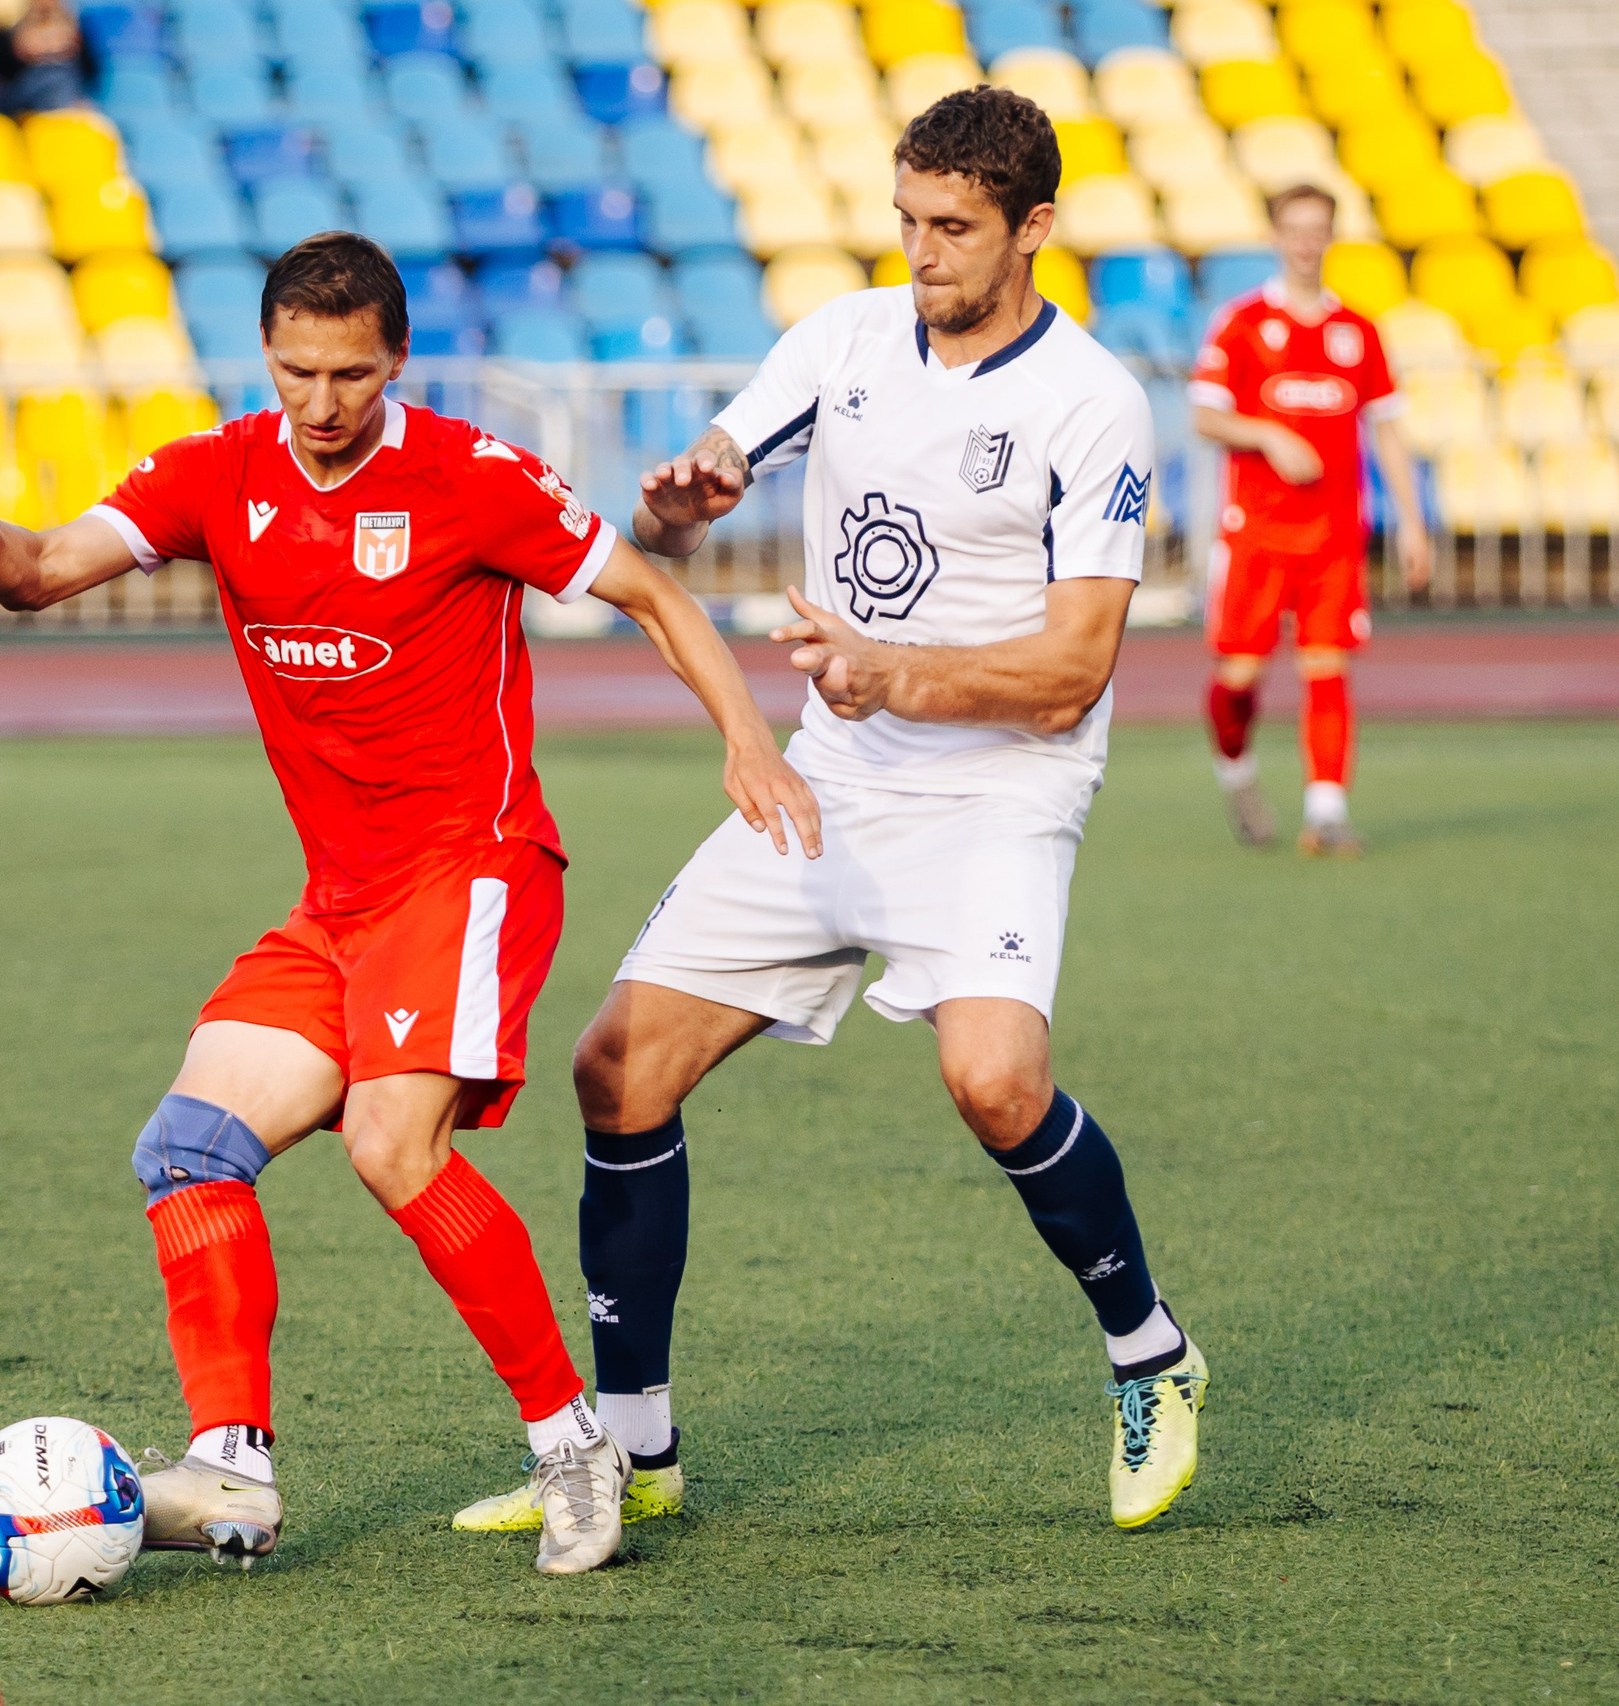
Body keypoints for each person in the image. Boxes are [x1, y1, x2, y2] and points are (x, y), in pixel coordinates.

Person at [0, 232, 819, 1577]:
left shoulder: (470, 477)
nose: (321, 402)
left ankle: (575, 1448)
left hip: (475, 865)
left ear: (396, 359)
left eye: (348, 373)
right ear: (265, 355)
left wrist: (748, 734)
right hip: (340, 899)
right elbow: (35, 572)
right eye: (295, 371)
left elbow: (650, 591)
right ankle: (233, 1465)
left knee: (394, 1144)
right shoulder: (215, 472)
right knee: (188, 1146)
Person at [454, 87, 1211, 1541]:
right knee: (617, 1071)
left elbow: (1072, 675)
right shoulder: (847, 341)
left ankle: (1153, 1358)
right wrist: (688, 492)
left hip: (999, 787)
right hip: (836, 773)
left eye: (954, 228)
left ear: (1032, 229)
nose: (922, 253)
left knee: (994, 1080)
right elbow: (694, 499)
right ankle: (637, 1451)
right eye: (907, 220)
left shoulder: (1091, 403)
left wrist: (895, 669)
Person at [1190, 182, 1432, 856]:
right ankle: (1236, 770)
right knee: (1236, 679)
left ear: (1331, 235)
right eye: (1293, 227)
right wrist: (1266, 436)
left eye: (1317, 228)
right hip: (1255, 536)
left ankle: (1326, 812)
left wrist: (1412, 522)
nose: (1305, 241)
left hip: (1332, 537)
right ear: (1275, 235)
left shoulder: (1357, 332)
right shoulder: (1241, 325)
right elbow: (1204, 414)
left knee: (1326, 668)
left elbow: (1387, 430)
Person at [8, 0, 91, 114]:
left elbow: (88, 66)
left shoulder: (71, 24)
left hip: (65, 90)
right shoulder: (21, 24)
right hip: (30, 86)